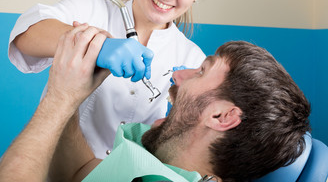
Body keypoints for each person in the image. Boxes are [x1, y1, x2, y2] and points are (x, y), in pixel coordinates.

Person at [0, 25, 311, 182]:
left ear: (221, 116)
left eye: (201, 71)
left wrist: (60, 97)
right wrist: (74, 94)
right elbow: (83, 170)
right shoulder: (161, 167)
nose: (178, 76)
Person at [7, 0, 213, 159]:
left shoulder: (193, 59)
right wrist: (95, 44)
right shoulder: (91, 8)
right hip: (55, 166)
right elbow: (25, 34)